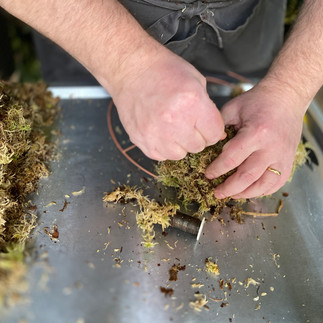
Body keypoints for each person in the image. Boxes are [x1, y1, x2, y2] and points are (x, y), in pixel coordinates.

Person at [0, 0, 322, 200]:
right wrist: (126, 64)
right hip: (83, 19)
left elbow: (288, 89)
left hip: (246, 19)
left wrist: (289, 89)